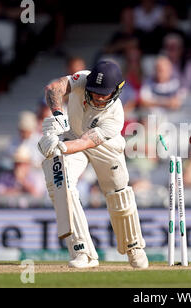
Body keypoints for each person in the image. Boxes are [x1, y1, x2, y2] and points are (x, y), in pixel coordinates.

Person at [37, 61, 149, 269]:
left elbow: (85, 143)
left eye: (103, 93)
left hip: (104, 145)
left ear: (116, 90)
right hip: (73, 135)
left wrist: (59, 147)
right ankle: (82, 251)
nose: (97, 96)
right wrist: (58, 114)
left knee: (118, 195)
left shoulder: (115, 116)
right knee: (60, 181)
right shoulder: (83, 79)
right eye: (94, 91)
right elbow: (54, 88)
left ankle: (133, 247)